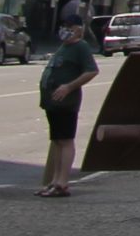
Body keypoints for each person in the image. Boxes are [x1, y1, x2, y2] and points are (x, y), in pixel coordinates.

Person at [36, 23, 99, 197]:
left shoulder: (81, 47)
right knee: (57, 141)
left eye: (71, 27)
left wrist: (68, 87)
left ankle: (62, 182)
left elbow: (92, 71)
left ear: (79, 29)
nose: (66, 30)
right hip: (53, 103)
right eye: (64, 26)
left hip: (66, 103)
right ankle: (54, 181)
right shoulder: (64, 46)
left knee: (65, 140)